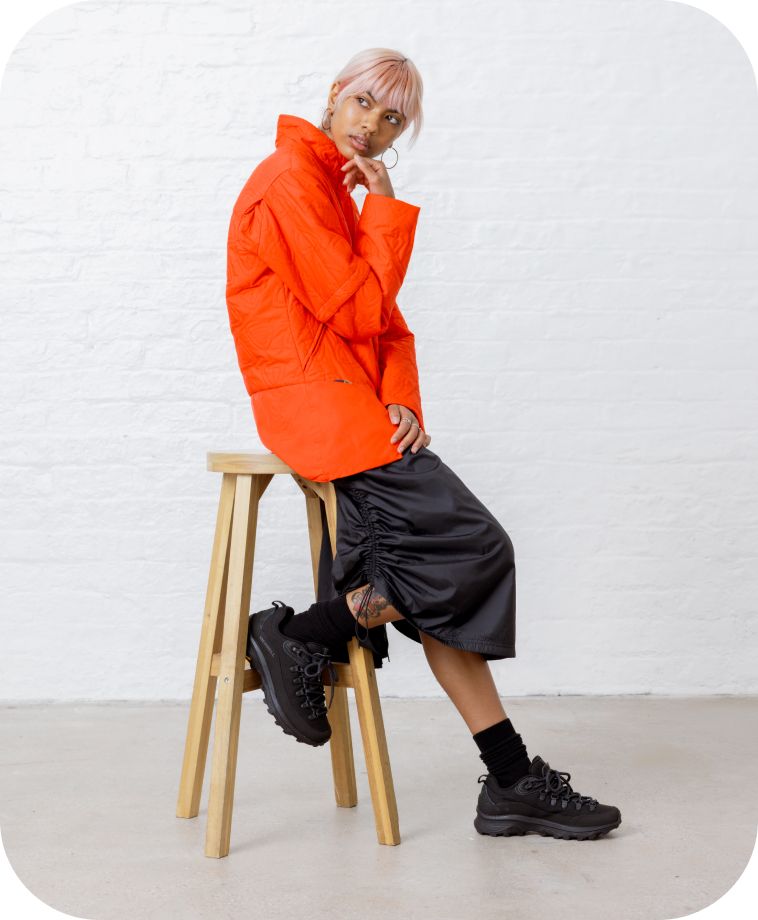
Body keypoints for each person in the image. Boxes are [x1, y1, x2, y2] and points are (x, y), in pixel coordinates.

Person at [225, 48, 621, 840]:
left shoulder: (331, 189)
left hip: (357, 402)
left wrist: (402, 396)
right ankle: (307, 631)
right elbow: (361, 309)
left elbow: (386, 325)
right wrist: (388, 209)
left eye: (392, 118)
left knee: (444, 587)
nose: (372, 125)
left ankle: (510, 779)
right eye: (365, 103)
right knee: (476, 550)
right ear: (334, 96)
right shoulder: (290, 181)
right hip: (318, 406)